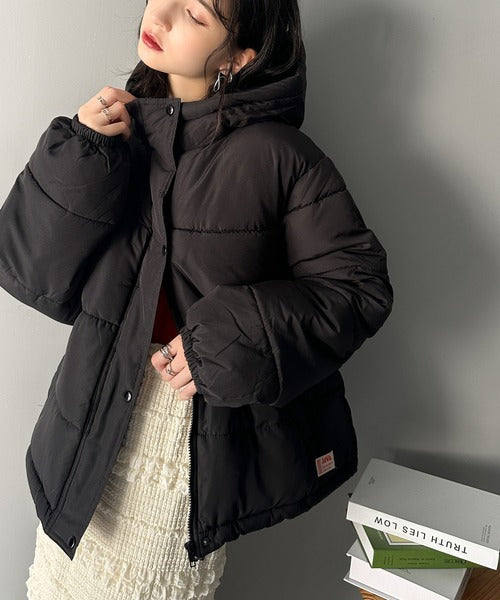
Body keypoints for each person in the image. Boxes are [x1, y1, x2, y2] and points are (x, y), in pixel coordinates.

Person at [0, 0, 394, 598]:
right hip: (86, 425)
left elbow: (357, 288)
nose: (158, 17)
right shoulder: (119, 131)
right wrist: (79, 151)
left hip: (182, 452)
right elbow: (34, 271)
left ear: (239, 58)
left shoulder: (280, 158)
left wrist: (234, 337)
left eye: (195, 13)